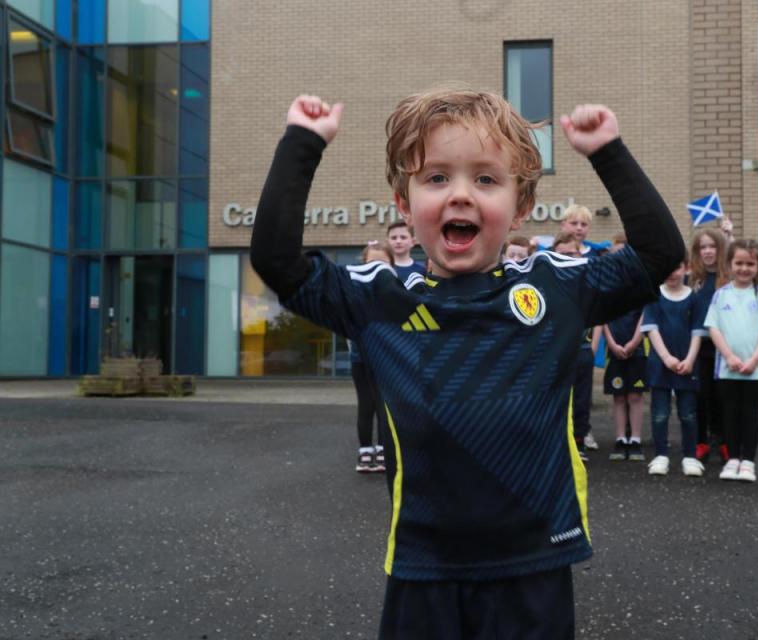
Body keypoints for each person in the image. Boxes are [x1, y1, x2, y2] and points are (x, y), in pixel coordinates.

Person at [251, 89, 685, 638]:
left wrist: (608, 152)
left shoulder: (556, 286)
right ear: (404, 204)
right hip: (424, 568)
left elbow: (659, 255)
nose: (460, 194)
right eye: (436, 178)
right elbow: (276, 260)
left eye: (485, 179)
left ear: (521, 205)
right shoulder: (380, 297)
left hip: (534, 565)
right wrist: (302, 144)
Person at [705, 239, 758, 482]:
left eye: (750, 263)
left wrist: (755, 358)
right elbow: (713, 328)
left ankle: (748, 461)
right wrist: (729, 356)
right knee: (730, 413)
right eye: (739, 263)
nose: (744, 268)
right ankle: (733, 458)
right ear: (729, 264)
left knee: (750, 413)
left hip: (754, 369)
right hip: (727, 368)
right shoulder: (720, 295)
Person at [641, 256, 707, 477]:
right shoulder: (654, 296)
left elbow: (698, 332)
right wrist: (666, 358)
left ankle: (690, 456)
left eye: (676, 267)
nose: (672, 273)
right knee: (660, 413)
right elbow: (652, 329)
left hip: (688, 365)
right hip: (660, 365)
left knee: (688, 413)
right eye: (666, 267)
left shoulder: (695, 299)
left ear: (686, 268)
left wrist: (689, 360)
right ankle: (661, 455)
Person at [553, 232, 602, 460]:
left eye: (571, 254)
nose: (566, 259)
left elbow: (599, 316)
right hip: (557, 354)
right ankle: (558, 441)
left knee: (582, 400)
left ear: (579, 253)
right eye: (561, 255)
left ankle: (579, 441)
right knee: (558, 400)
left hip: (582, 351)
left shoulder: (587, 282)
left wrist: (593, 348)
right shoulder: (548, 283)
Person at [688, 226, 731, 464]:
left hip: (724, 347)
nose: (707, 251)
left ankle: (724, 441)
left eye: (712, 246)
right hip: (699, 347)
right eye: (703, 247)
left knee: (722, 396)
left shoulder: (729, 278)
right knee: (700, 396)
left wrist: (729, 234)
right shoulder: (693, 279)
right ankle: (701, 441)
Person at [603, 233, 647, 461]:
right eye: (616, 254)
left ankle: (636, 439)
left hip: (636, 348)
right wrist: (611, 342)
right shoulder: (607, 283)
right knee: (618, 396)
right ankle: (620, 439)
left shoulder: (639, 283)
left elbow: (644, 315)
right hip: (615, 348)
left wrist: (634, 342)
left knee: (635, 396)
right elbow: (604, 317)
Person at [351, 242, 394, 473]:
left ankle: (384, 450)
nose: (377, 268)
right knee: (366, 405)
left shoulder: (395, 292)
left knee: (384, 405)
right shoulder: (356, 291)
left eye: (382, 263)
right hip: (361, 359)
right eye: (371, 263)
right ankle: (365, 451)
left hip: (385, 360)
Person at [386, 220, 427, 284]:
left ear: (413, 242)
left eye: (403, 237)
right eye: (394, 238)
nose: (398, 241)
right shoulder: (383, 268)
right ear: (387, 242)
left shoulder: (423, 269)